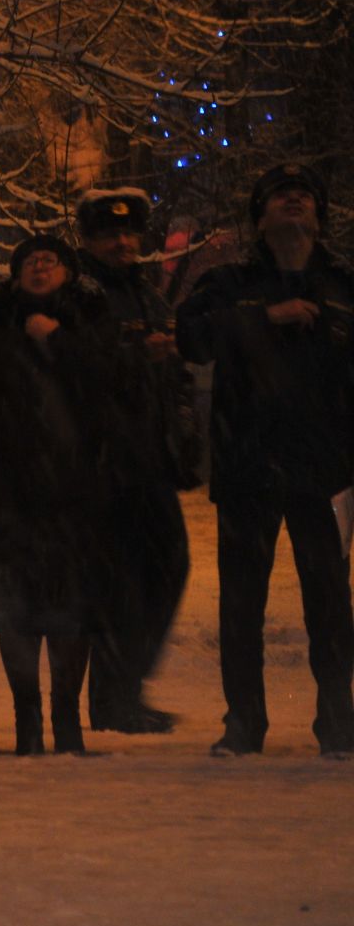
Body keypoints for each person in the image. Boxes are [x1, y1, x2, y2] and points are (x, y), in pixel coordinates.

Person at [176, 162, 354, 758]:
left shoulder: (343, 282)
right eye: (280, 195)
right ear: (259, 216)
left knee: (330, 602)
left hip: (327, 468)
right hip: (248, 462)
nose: (294, 201)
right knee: (241, 605)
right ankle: (244, 725)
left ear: (320, 216)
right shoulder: (231, 281)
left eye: (304, 195)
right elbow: (190, 337)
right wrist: (263, 319)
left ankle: (338, 725)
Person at [0, 235, 118, 756]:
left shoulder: (90, 320)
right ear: (16, 274)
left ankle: (66, 719)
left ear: (68, 272)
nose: (40, 266)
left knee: (72, 605)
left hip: (76, 491)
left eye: (50, 260)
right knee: (14, 606)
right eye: (30, 261)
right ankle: (27, 719)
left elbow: (111, 383)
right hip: (11, 490)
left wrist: (58, 340)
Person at [74, 188, 201, 734]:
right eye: (109, 233)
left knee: (168, 565)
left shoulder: (148, 295)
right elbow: (72, 364)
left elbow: (173, 374)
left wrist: (182, 426)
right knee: (119, 581)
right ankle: (112, 698)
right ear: (89, 238)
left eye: (129, 233)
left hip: (148, 455)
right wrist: (134, 355)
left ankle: (125, 688)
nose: (123, 242)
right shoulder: (78, 292)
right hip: (100, 459)